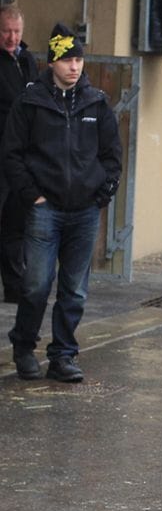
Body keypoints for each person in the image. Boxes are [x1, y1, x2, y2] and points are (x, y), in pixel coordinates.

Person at [3, 23, 122, 382]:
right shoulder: (30, 102)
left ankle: (64, 355)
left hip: (84, 212)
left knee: (75, 289)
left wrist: (102, 193)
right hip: (45, 209)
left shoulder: (97, 103)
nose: (74, 66)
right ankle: (24, 348)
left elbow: (112, 155)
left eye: (78, 59)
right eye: (67, 59)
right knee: (36, 284)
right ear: (52, 62)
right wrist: (33, 196)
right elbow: (12, 155)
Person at [0, 4, 38, 304]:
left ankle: (14, 287)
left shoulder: (27, 61)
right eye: (5, 31)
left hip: (21, 156)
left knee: (17, 222)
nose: (11, 37)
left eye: (16, 32)